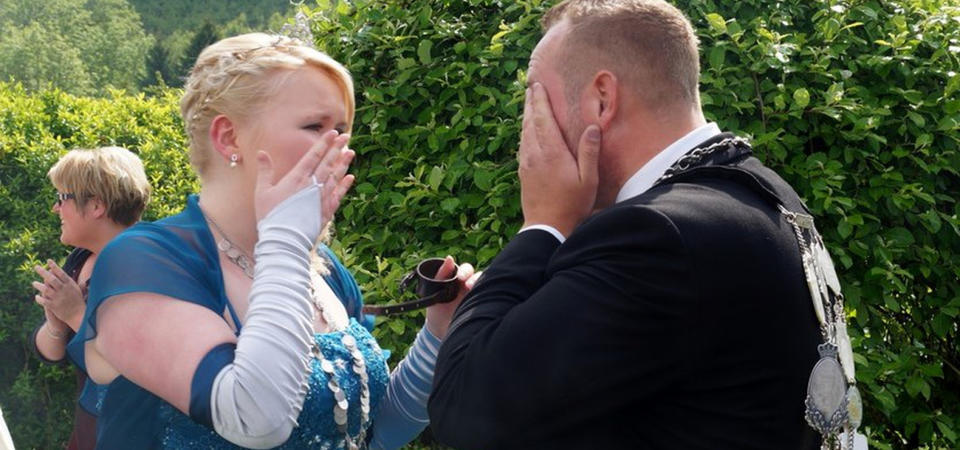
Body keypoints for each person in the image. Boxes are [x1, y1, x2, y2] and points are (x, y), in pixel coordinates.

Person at [428, 0, 823, 448]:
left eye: (535, 97)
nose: (527, 125)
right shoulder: (759, 191)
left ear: (602, 99)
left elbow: (465, 409)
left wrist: (542, 223)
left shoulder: (657, 236)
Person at [65, 32, 474, 449]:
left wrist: (438, 334)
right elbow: (255, 419)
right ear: (229, 137)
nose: (339, 147)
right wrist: (286, 240)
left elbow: (372, 432)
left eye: (342, 129)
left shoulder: (322, 269)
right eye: (315, 126)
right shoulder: (143, 262)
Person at [29, 146, 151, 450]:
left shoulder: (146, 266)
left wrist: (74, 313)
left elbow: (133, 371)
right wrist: (56, 323)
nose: (55, 208)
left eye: (62, 197)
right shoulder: (81, 257)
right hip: (89, 430)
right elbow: (51, 354)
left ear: (96, 205)